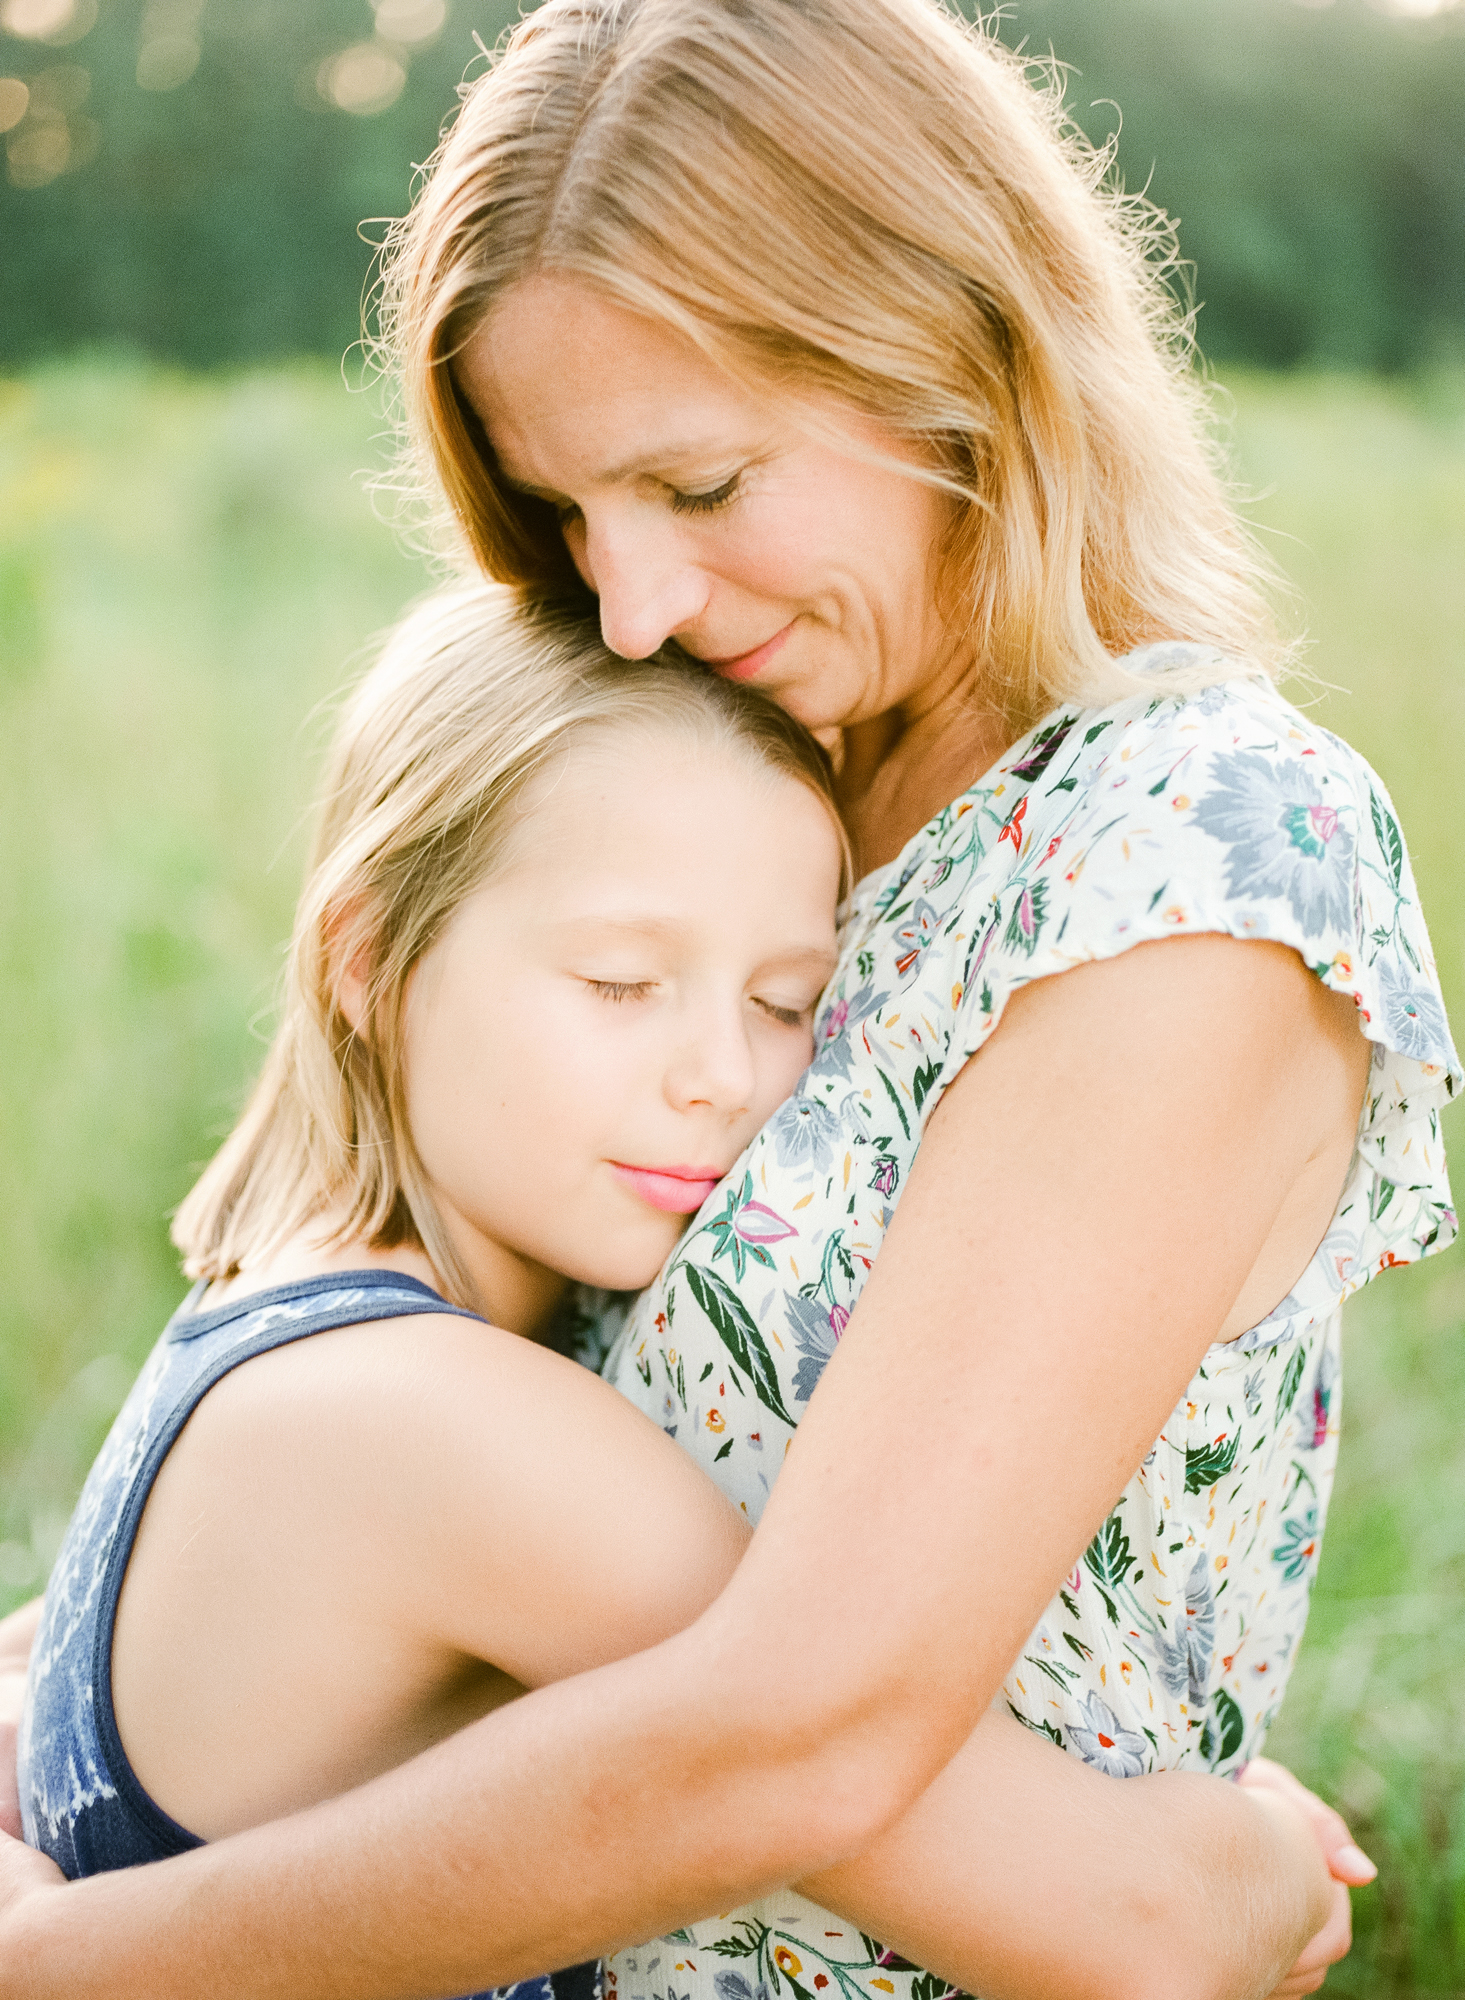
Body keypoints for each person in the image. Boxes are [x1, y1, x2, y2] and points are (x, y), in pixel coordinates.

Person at [0, 0, 1456, 1993]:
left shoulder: (1188, 854)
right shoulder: (751, 763)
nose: (629, 603)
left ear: (952, 349)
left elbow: (819, 1721)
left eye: (697, 483)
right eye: (566, 513)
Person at [14, 583, 1341, 2000]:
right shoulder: (441, 1429)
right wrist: (1259, 1847)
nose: (719, 1072)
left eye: (783, 1003)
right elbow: (1130, 1926)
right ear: (367, 957)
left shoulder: (268, 1336)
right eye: (620, 981)